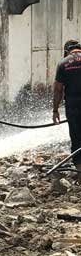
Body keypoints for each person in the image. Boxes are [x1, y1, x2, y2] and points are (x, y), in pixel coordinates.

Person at [53, 39, 81, 180]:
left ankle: (80, 172)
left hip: (73, 107)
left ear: (66, 51)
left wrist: (55, 110)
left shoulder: (63, 63)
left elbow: (58, 89)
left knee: (76, 139)